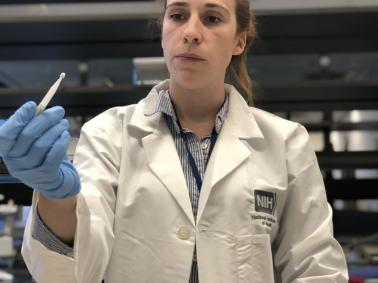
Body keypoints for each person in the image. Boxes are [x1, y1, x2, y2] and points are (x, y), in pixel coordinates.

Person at [0, 0, 349, 282]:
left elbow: (317, 269)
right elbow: (72, 273)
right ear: (164, 32)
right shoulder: (108, 134)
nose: (192, 32)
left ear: (239, 41)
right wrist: (55, 195)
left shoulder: (286, 143)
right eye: (178, 15)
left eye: (212, 18)